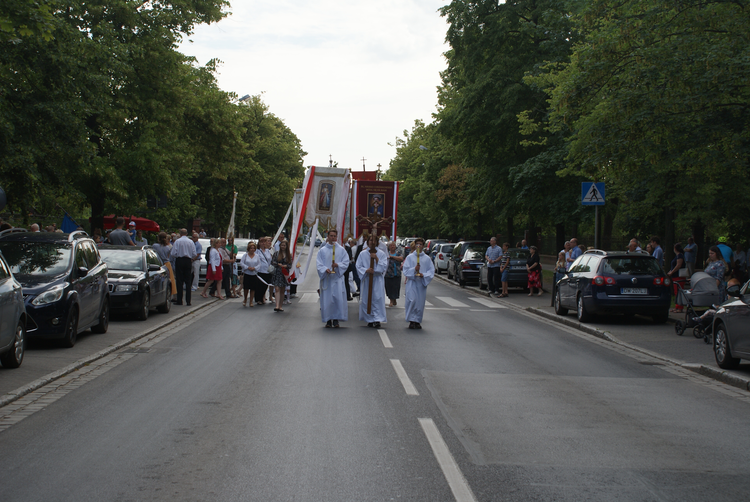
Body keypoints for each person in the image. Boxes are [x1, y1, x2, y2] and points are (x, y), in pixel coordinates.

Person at [317, 229, 350, 327]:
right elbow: (319, 264)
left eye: (334, 236)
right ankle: (328, 319)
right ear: (328, 236)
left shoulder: (341, 250)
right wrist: (325, 269)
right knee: (327, 300)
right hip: (327, 278)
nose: (333, 238)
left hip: (337, 278)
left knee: (337, 299)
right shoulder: (322, 251)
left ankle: (336, 319)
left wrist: (338, 265)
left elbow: (346, 262)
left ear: (337, 237)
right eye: (331, 236)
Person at [356, 233, 388, 328]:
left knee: (377, 298)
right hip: (367, 279)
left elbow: (384, 267)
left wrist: (376, 259)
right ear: (367, 242)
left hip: (377, 279)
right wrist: (366, 270)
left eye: (374, 241)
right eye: (370, 240)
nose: (372, 242)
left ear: (377, 243)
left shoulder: (381, 254)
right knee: (367, 298)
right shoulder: (363, 254)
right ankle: (369, 319)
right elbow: (358, 266)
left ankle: (377, 319)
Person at [403, 237, 435, 329]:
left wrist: (423, 275)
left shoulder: (427, 259)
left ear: (423, 246)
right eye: (417, 244)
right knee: (412, 300)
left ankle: (417, 321)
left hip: (421, 283)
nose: (418, 246)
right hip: (412, 282)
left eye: (420, 244)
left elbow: (431, 271)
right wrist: (414, 270)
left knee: (419, 303)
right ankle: (411, 320)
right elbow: (405, 270)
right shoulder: (410, 257)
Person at [169, 228, 197, 305]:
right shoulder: (190, 242)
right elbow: (194, 253)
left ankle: (179, 300)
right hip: (188, 261)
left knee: (179, 281)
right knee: (188, 281)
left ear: (180, 233)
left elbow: (173, 253)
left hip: (180, 260)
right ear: (187, 234)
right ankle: (188, 301)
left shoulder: (177, 241)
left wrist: (178, 255)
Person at [271, 240, 292, 312]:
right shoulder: (276, 254)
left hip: (284, 274)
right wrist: (278, 264)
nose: (283, 247)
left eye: (284, 245)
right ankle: (276, 305)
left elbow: (290, 264)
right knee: (277, 289)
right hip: (277, 273)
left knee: (282, 290)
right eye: (281, 245)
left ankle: (280, 306)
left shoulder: (289, 255)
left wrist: (286, 266)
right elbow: (272, 262)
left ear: (286, 246)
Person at [240, 242, 262, 307]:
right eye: (251, 248)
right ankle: (245, 299)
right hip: (247, 273)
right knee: (246, 288)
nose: (252, 249)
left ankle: (251, 301)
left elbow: (259, 264)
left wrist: (255, 268)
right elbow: (241, 263)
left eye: (253, 248)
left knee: (253, 288)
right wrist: (247, 267)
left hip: (254, 274)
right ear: (248, 249)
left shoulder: (257, 256)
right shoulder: (245, 255)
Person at [667, 243, 686, 313]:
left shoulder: (680, 256)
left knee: (679, 291)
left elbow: (678, 265)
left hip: (678, 276)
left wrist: (672, 272)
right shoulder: (677, 256)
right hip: (675, 276)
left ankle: (680, 307)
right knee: (676, 292)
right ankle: (677, 306)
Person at [385, 241, 404, 307]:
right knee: (389, 287)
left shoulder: (398, 253)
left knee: (395, 287)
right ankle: (391, 300)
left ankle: (393, 299)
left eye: (393, 245)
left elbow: (401, 259)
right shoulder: (386, 253)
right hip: (388, 273)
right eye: (391, 245)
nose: (392, 246)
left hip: (396, 273)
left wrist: (392, 257)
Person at [256, 237, 273, 305]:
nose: (263, 243)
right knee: (260, 285)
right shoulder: (257, 251)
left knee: (265, 285)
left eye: (264, 242)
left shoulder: (267, 251)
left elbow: (270, 259)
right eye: (261, 242)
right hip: (260, 270)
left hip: (267, 270)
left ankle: (263, 297)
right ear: (259, 243)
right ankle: (259, 299)